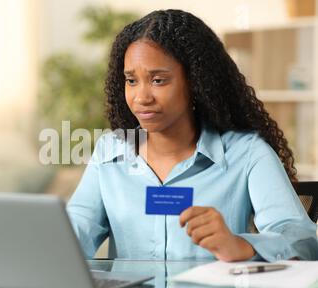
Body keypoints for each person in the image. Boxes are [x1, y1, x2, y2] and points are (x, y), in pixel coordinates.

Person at [66, 9, 318, 262]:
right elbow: (75, 233)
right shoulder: (110, 151)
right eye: (131, 81)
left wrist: (241, 245)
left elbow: (304, 242)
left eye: (158, 80)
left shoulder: (247, 153)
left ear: (195, 83)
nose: (141, 97)